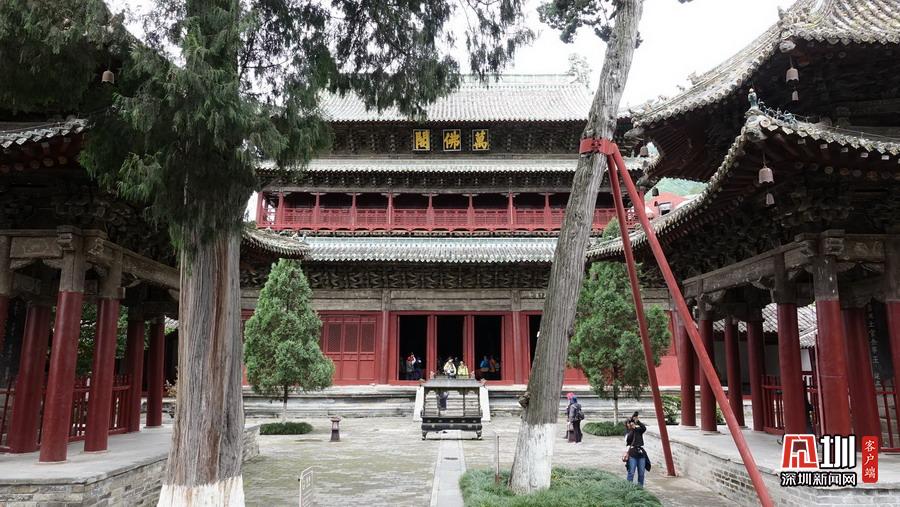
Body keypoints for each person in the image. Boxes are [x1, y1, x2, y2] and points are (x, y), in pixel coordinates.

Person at [623, 412, 647, 486]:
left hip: (641, 454)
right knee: (631, 472)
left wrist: (638, 422)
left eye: (631, 423)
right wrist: (633, 429)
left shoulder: (638, 430)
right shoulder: (627, 433)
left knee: (641, 473)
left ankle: (640, 488)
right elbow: (628, 440)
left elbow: (644, 428)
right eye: (628, 423)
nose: (630, 424)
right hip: (632, 454)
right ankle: (628, 487)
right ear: (626, 425)